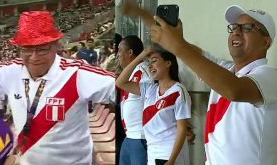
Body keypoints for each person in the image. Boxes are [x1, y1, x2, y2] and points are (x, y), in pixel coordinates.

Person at [0, 11, 115, 165]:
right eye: (27, 49)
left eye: (42, 49)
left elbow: (127, 90)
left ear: (56, 46)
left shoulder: (77, 73)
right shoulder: (11, 72)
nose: (34, 57)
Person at [147, 5, 277, 165]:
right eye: (234, 27)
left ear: (265, 42)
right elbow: (200, 59)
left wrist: (177, 46)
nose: (236, 32)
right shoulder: (225, 70)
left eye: (247, 28)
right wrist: (179, 40)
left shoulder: (270, 76)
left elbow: (234, 90)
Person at [116, 47, 191, 165]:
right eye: (149, 62)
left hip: (169, 154)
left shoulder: (178, 90)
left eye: (154, 61)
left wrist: (171, 161)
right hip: (152, 154)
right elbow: (120, 82)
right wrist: (140, 57)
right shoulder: (149, 89)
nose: (150, 65)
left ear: (168, 63)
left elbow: (182, 129)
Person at [117, 35, 150, 165]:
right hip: (129, 136)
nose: (118, 54)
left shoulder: (144, 71)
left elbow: (155, 97)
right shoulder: (129, 72)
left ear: (130, 52)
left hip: (141, 136)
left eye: (120, 50)